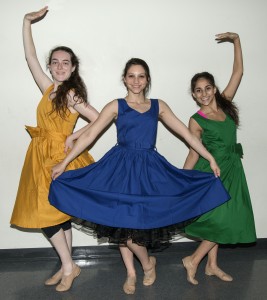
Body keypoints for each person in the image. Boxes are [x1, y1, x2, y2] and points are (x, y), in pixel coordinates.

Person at [49, 57, 230, 294]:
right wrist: (65, 162)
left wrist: (210, 157)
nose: (136, 81)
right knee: (120, 224)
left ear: (147, 80)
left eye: (141, 76)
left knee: (133, 227)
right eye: (131, 76)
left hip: (148, 170)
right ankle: (134, 272)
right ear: (124, 79)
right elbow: (90, 134)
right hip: (119, 168)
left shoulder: (158, 105)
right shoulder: (116, 105)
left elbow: (187, 134)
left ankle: (147, 264)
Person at [10, 7, 99, 292]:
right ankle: (67, 266)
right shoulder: (47, 88)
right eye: (55, 62)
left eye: (66, 63)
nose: (60, 67)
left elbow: (99, 119)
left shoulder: (72, 94)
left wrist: (75, 136)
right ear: (50, 66)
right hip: (38, 155)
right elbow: (30, 57)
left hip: (59, 158)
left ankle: (69, 266)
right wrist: (26, 23)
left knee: (48, 215)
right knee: (56, 215)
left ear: (73, 68)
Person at [182, 32, 256, 285]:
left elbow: (238, 72)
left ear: (214, 88)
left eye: (207, 88)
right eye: (198, 91)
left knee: (220, 218)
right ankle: (193, 260)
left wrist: (236, 41)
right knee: (221, 219)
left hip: (233, 169)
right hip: (211, 173)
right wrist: (183, 180)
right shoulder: (196, 120)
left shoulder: (225, 105)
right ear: (193, 94)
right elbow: (193, 151)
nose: (203, 94)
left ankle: (211, 265)